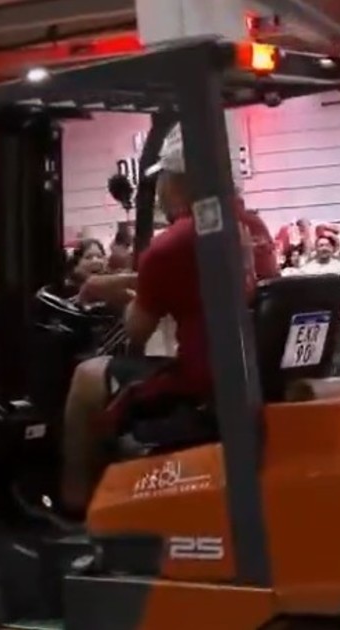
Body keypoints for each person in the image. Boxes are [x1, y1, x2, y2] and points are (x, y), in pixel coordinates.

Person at [58, 125, 256, 516]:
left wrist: (122, 295)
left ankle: (74, 507)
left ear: (179, 180)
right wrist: (128, 281)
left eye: (162, 179)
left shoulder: (174, 243)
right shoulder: (247, 228)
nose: (160, 190)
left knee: (86, 378)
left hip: (199, 384)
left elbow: (136, 329)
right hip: (241, 376)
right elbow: (197, 280)